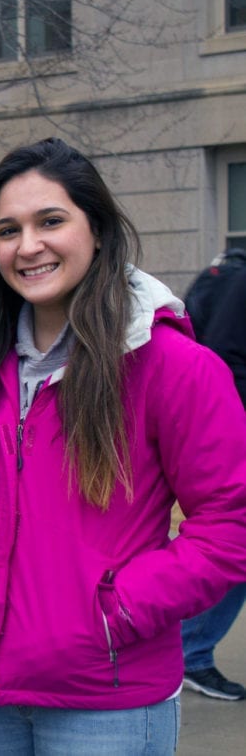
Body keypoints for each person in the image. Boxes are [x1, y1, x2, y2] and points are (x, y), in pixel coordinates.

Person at [0, 137, 246, 754]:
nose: (28, 245)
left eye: (51, 221)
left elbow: (230, 523)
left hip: (105, 702)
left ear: (98, 228)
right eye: (8, 230)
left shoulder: (174, 366)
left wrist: (118, 613)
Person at [180, 255, 246, 701]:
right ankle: (191, 653)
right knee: (235, 546)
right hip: (231, 435)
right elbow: (224, 359)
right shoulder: (240, 284)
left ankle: (190, 649)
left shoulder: (228, 275)